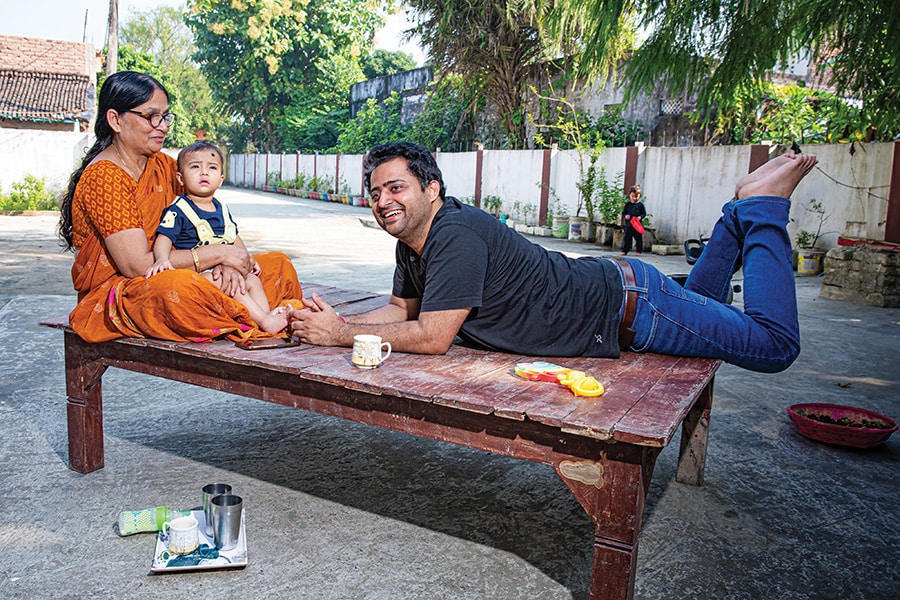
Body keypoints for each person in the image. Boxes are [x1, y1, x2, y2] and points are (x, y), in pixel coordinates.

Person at [290, 141, 815, 374]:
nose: (383, 202)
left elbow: (431, 337)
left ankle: (765, 208)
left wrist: (339, 336)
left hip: (635, 309)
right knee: (703, 304)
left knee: (773, 346)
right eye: (376, 193)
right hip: (629, 293)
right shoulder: (413, 240)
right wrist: (342, 322)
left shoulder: (455, 232)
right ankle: (738, 211)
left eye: (396, 188)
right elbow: (402, 312)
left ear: (432, 187)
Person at [58, 71, 302, 343]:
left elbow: (210, 213)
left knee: (278, 265)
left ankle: (242, 309)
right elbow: (137, 266)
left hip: (194, 272)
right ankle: (252, 313)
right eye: (151, 116)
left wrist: (234, 262)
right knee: (179, 291)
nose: (162, 126)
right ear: (116, 120)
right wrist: (217, 255)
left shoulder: (163, 165)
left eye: (165, 117)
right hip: (128, 289)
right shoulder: (104, 177)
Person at [146, 141, 289, 334]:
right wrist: (162, 258)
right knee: (230, 283)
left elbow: (233, 236)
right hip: (202, 274)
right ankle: (264, 320)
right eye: (195, 167)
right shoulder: (178, 208)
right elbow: (164, 237)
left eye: (211, 168)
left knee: (252, 281)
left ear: (221, 179)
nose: (204, 172)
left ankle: (265, 316)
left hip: (225, 269)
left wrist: (247, 258)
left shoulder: (221, 208)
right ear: (180, 178)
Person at [620, 184, 646, 255]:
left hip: (637, 224)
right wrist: (626, 216)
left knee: (638, 238)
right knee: (627, 238)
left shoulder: (640, 205)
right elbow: (624, 212)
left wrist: (640, 217)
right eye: (633, 196)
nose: (634, 198)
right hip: (629, 224)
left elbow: (643, 213)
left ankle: (638, 251)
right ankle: (625, 250)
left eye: (636, 196)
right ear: (630, 195)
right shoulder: (628, 204)